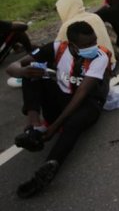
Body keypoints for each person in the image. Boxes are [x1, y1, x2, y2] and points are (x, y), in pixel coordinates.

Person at [7, 21, 111, 198]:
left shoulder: (100, 56)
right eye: (86, 45)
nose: (92, 47)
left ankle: (50, 165)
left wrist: (55, 126)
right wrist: (24, 72)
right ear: (72, 45)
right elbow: (13, 67)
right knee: (33, 73)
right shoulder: (57, 48)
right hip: (61, 99)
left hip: (88, 103)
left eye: (94, 41)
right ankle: (34, 127)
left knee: (73, 123)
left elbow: (82, 93)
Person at [55, 0, 116, 66]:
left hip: (90, 67)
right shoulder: (95, 16)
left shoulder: (67, 26)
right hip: (110, 62)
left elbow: (56, 49)